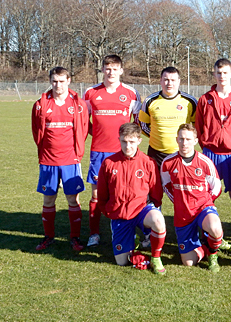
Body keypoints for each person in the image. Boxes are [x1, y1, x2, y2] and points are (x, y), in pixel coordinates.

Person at [85, 54, 142, 247]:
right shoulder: (91, 93)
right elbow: (85, 123)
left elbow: (137, 123)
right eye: (107, 68)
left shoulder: (131, 93)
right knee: (96, 195)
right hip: (99, 152)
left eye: (115, 68)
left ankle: (130, 232)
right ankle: (94, 233)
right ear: (102, 70)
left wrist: (129, 144)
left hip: (124, 153)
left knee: (127, 194)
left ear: (121, 70)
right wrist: (100, 135)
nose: (111, 72)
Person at [196, 58, 231, 252]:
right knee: (206, 196)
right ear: (214, 74)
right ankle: (207, 236)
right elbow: (199, 126)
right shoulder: (205, 98)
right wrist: (207, 145)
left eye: (226, 73)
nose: (222, 76)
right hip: (211, 153)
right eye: (219, 73)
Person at [97, 123, 167, 275]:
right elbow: (101, 195)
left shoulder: (148, 162)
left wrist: (154, 207)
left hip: (141, 209)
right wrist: (109, 211)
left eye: (132, 142)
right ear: (119, 139)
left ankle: (156, 258)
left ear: (139, 141)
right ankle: (132, 242)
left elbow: (156, 192)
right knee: (122, 262)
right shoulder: (109, 163)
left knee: (158, 220)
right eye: (124, 141)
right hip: (120, 214)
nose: (128, 146)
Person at [32, 67, 88, 251]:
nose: (58, 85)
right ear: (50, 81)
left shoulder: (78, 104)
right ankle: (48, 237)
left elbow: (84, 129)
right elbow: (36, 132)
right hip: (48, 161)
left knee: (72, 199)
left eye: (62, 81)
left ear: (69, 81)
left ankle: (75, 238)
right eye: (55, 81)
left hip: (71, 160)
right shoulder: (41, 104)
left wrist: (77, 152)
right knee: (48, 200)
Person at [161, 124, 224, 272]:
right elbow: (166, 185)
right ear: (176, 140)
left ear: (195, 141)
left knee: (215, 228)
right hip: (183, 214)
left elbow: (216, 187)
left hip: (203, 208)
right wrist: (178, 201)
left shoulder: (204, 162)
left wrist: (205, 201)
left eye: (188, 139)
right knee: (189, 262)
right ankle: (205, 248)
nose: (184, 143)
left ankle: (213, 255)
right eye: (181, 139)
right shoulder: (168, 163)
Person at [137, 66, 196, 166]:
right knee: (155, 182)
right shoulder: (149, 101)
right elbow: (142, 125)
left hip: (181, 152)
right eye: (166, 80)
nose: (169, 83)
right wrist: (158, 136)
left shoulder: (190, 102)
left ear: (178, 81)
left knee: (180, 182)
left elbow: (197, 126)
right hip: (156, 153)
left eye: (173, 80)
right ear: (160, 81)